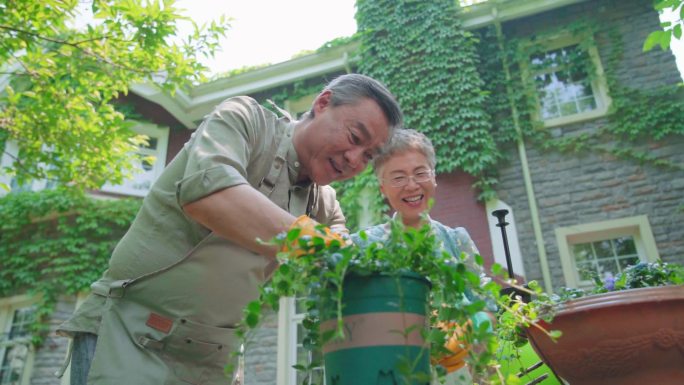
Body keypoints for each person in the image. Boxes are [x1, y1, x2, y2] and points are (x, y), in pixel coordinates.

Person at [56, 73, 403, 385]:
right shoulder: (244, 120)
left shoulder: (324, 203)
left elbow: (349, 274)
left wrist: (418, 321)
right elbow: (211, 196)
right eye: (355, 136)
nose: (355, 159)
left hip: (215, 362)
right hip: (130, 338)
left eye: (369, 156)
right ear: (323, 103)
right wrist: (312, 241)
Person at [351, 128, 492, 385]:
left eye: (420, 173)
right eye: (398, 177)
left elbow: (485, 305)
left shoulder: (456, 241)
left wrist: (475, 327)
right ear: (382, 187)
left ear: (434, 177)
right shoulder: (363, 246)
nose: (412, 185)